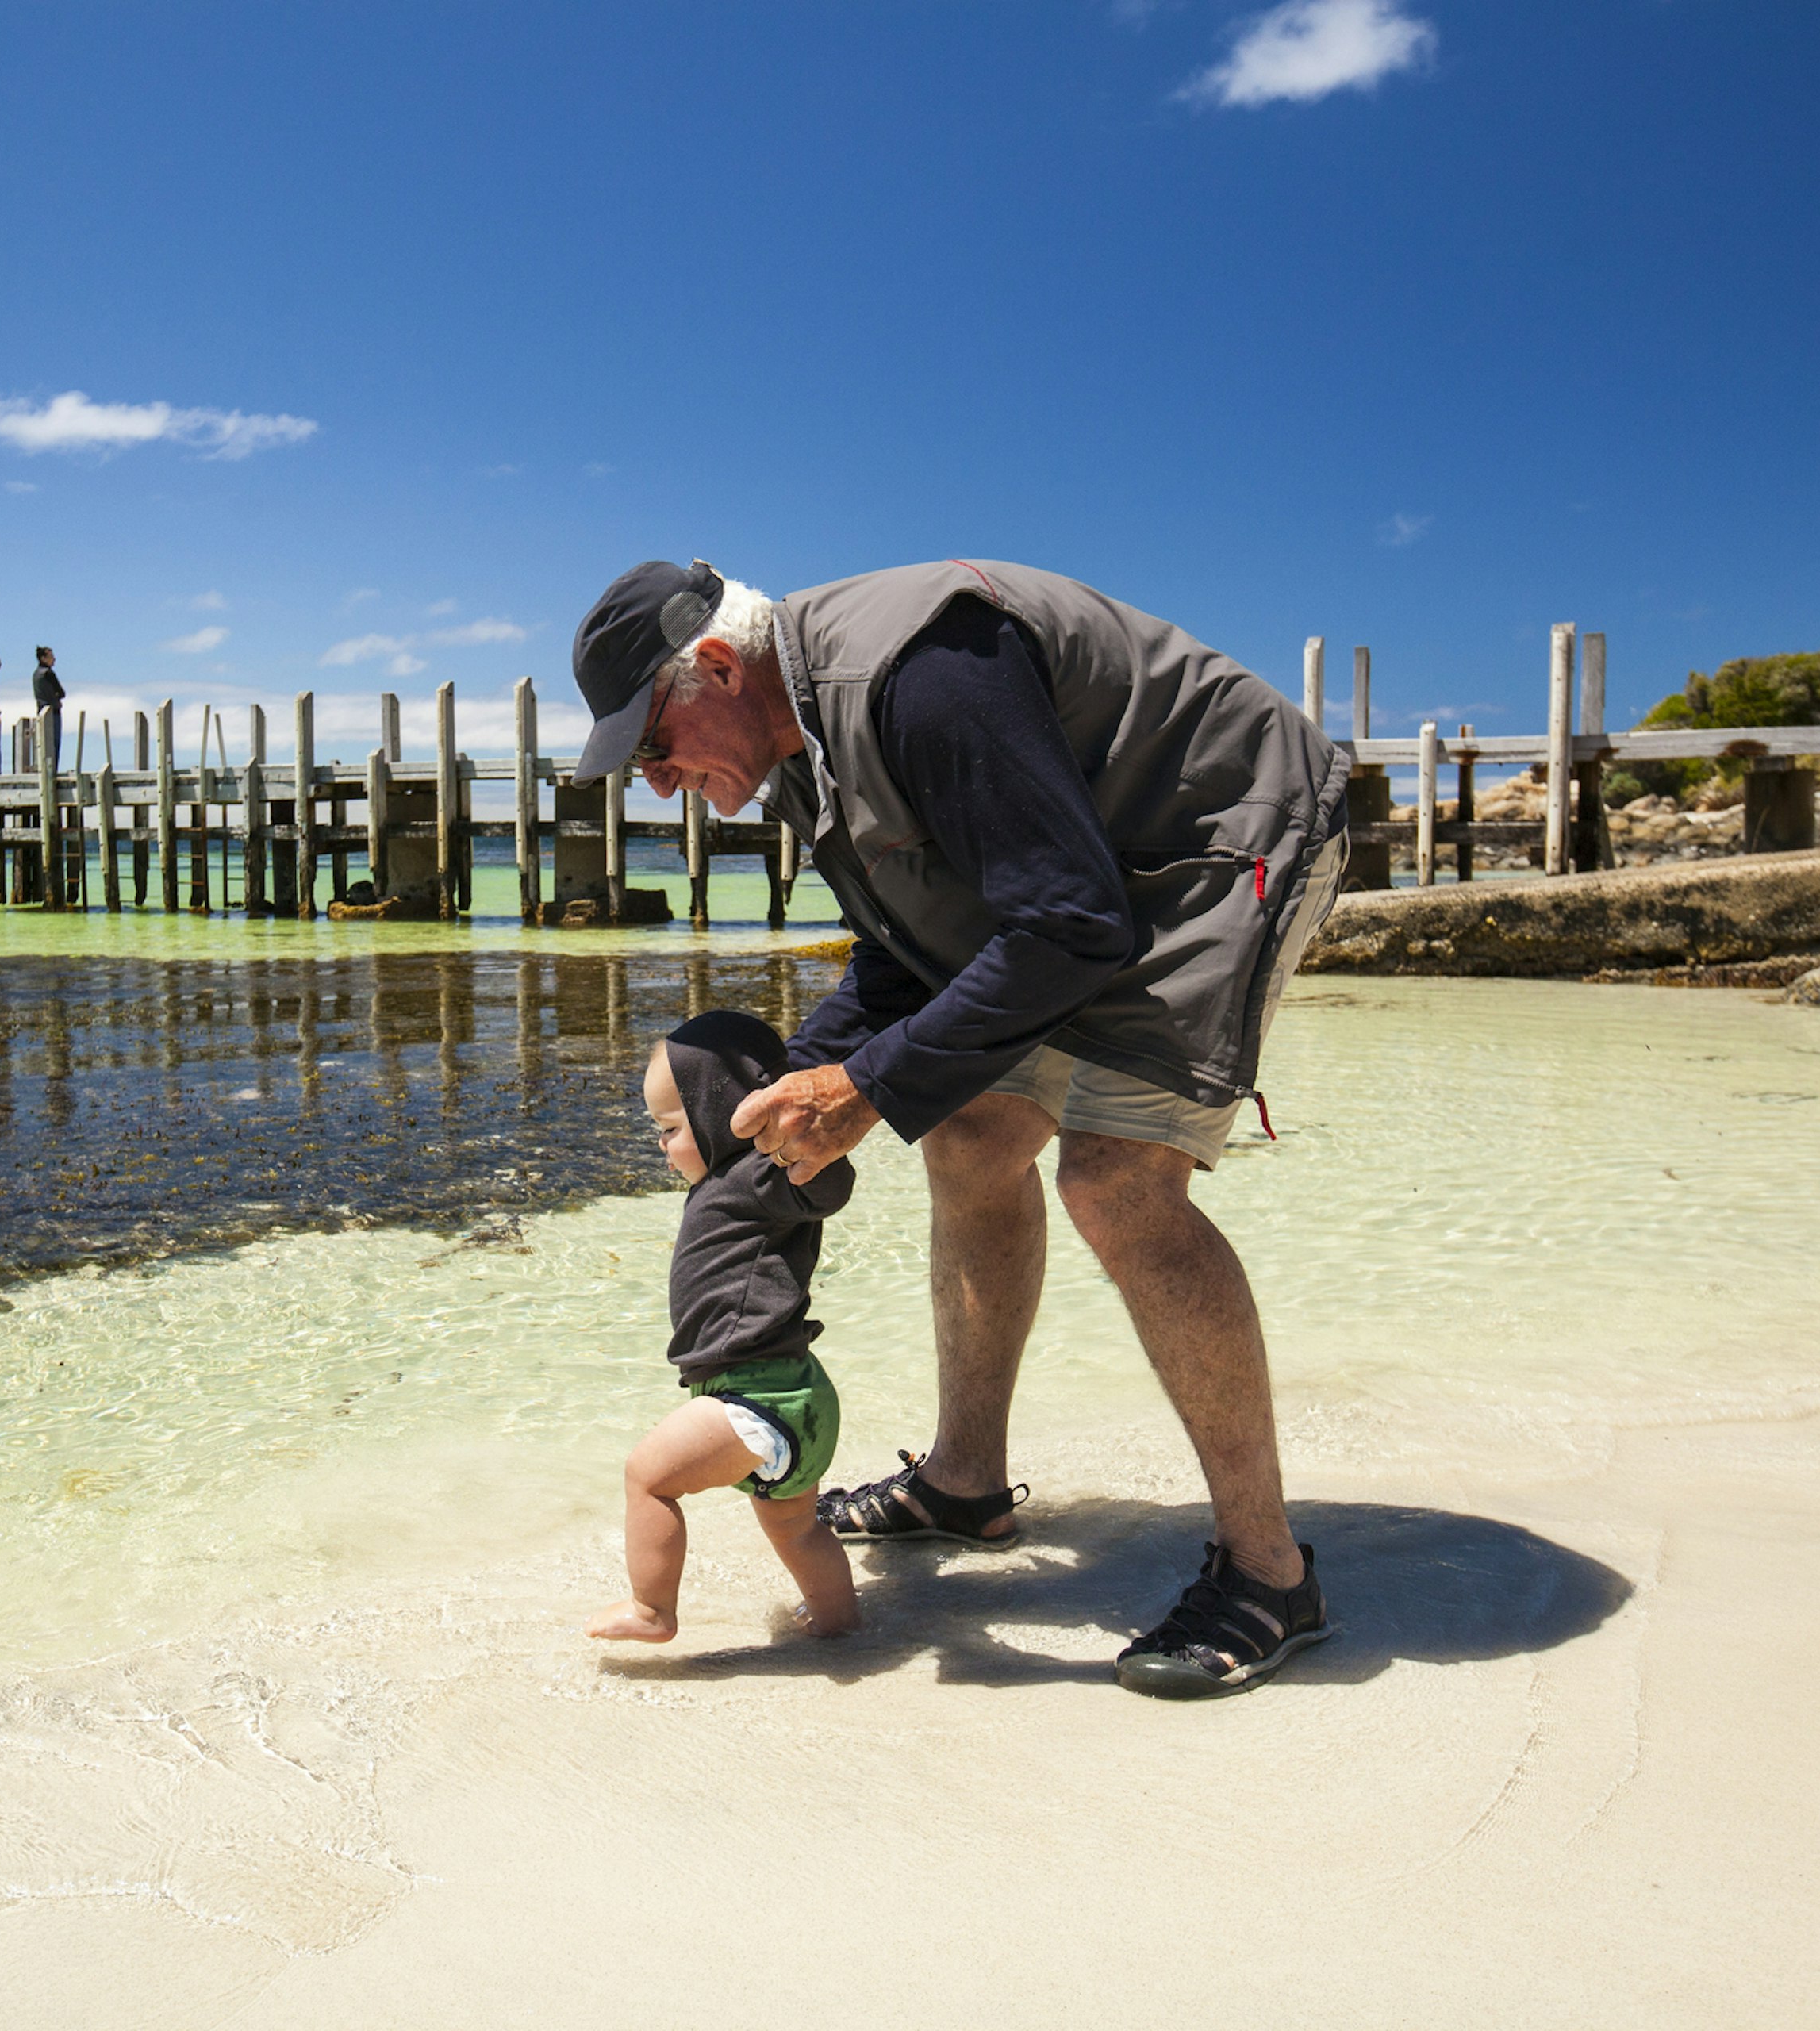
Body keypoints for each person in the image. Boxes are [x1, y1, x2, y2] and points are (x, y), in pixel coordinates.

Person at [567, 559, 1350, 1697]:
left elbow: (1074, 925)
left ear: (722, 668)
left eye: (651, 744)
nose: (652, 784)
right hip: (1079, 878)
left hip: (1214, 841)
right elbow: (908, 948)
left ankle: (1271, 1572)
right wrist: (800, 1082)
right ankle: (964, 1481)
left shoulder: (925, 674)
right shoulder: (797, 747)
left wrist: (867, 1088)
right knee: (972, 1136)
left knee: (1116, 1179)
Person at [587, 1011, 861, 1645]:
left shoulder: (760, 1175)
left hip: (758, 1398)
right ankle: (842, 1625)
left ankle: (651, 1611)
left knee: (647, 1478)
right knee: (796, 1528)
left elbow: (829, 1182)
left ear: (721, 1112)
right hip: (791, 1398)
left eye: (670, 1128)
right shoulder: (729, 1184)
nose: (661, 1145)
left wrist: (813, 1145)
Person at [31, 646, 67, 770]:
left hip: (41, 711)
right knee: (54, 743)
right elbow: (62, 693)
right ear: (43, 658)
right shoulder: (48, 673)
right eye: (51, 657)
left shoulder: (35, 675)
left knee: (43, 744)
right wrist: (56, 696)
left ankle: (44, 769)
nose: (54, 659)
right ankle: (53, 770)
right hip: (53, 712)